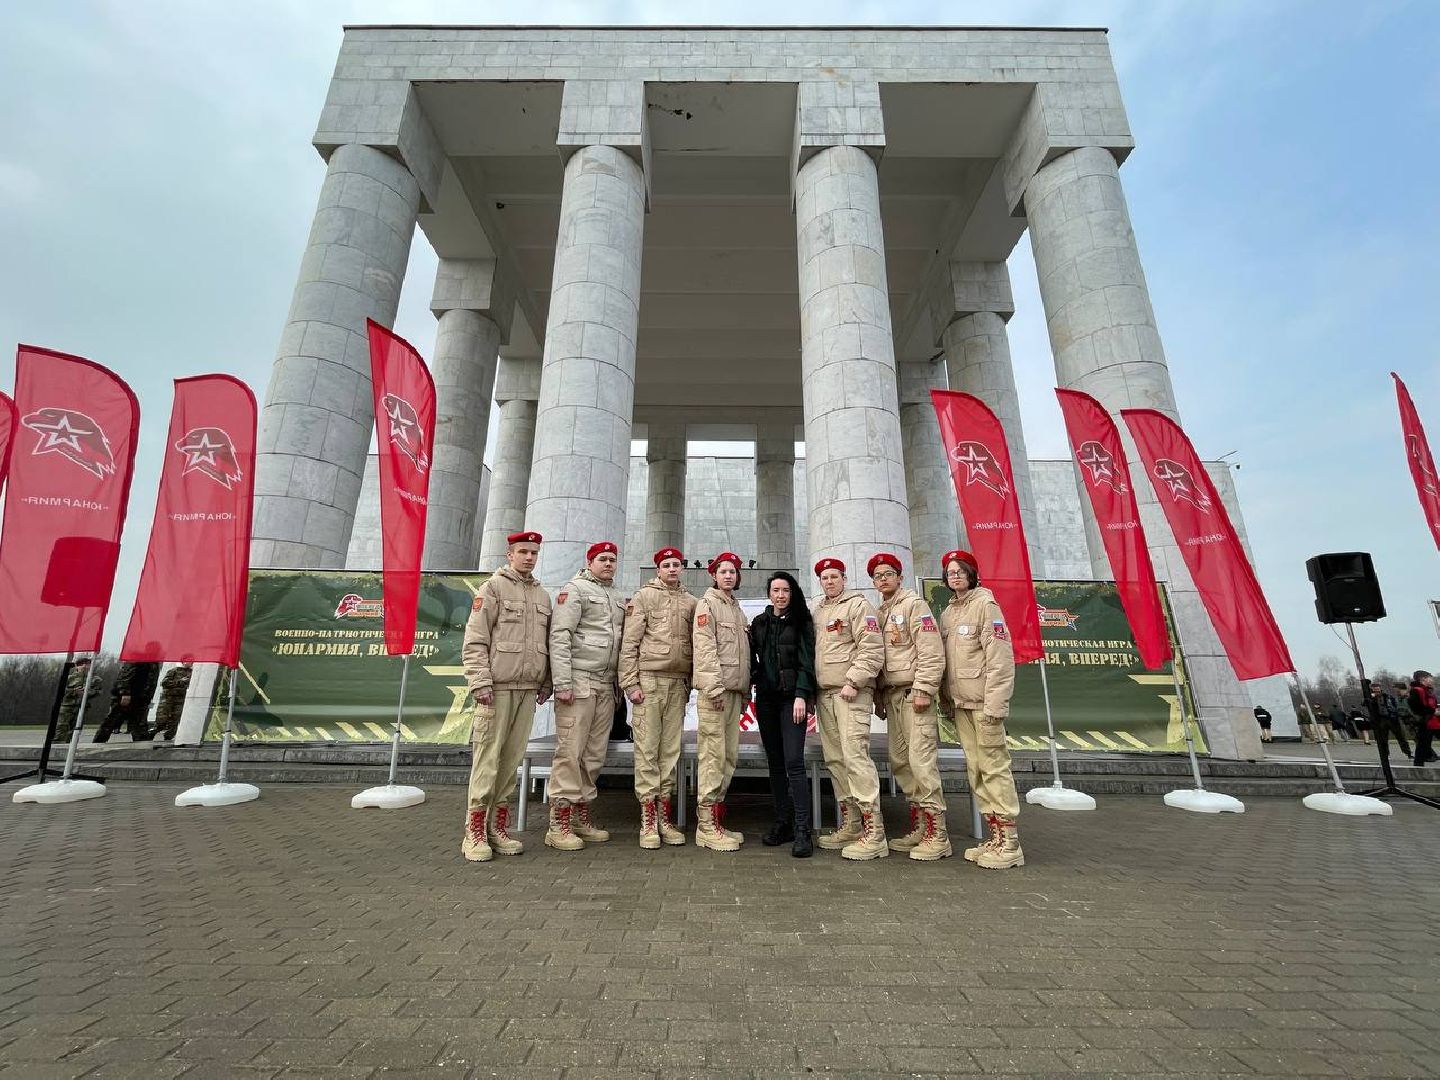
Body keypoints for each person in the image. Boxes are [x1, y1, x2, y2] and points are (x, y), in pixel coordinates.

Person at [460, 531, 552, 863]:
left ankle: (497, 828)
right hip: (495, 690)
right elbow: (475, 640)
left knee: (511, 762)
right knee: (487, 760)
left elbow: (548, 644)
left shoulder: (542, 596)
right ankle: (474, 831)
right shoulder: (493, 589)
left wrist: (546, 681)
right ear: (509, 553)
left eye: (534, 553)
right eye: (523, 551)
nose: (529, 557)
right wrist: (479, 682)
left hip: (527, 691)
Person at [938, 549, 1024, 870]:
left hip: (985, 706)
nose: (955, 576)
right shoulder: (948, 614)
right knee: (976, 770)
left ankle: (1011, 842)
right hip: (962, 706)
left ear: (972, 574)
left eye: (960, 570)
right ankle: (996, 836)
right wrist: (946, 700)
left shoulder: (986, 606)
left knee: (995, 768)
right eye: (950, 572)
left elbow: (1000, 660)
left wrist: (996, 705)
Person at [869, 552, 949, 861]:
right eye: (878, 576)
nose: (883, 579)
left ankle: (938, 833)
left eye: (889, 574)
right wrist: (878, 697)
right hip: (892, 696)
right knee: (901, 761)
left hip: (914, 695)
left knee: (921, 761)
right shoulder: (880, 612)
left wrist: (925, 688)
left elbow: (931, 651)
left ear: (900, 577)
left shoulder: (915, 606)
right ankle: (921, 825)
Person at [547, 541, 627, 851]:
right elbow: (560, 636)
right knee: (570, 751)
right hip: (578, 683)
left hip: (606, 686)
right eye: (602, 559)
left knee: (593, 755)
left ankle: (581, 815)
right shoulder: (575, 590)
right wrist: (562, 682)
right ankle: (558, 823)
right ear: (589, 561)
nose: (608, 564)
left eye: (612, 559)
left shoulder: (615, 596)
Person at [620, 547, 696, 849]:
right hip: (649, 682)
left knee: (670, 752)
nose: (672, 569)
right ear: (658, 570)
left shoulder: (692, 602)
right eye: (666, 565)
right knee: (647, 751)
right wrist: (630, 683)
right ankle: (648, 819)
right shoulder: (644, 598)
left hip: (678, 684)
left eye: (677, 564)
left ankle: (664, 816)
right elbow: (630, 644)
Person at [812, 557, 887, 860]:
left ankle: (875, 832)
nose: (829, 582)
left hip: (849, 693)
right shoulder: (818, 611)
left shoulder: (858, 606)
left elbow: (871, 647)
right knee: (836, 759)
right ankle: (852, 824)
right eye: (824, 578)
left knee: (856, 756)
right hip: (825, 695)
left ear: (843, 578)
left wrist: (854, 681)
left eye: (834, 576)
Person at [749, 571, 817, 858]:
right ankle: (783, 822)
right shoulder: (759, 623)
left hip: (792, 701)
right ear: (769, 594)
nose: (780, 595)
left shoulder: (802, 621)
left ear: (792, 593)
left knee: (794, 762)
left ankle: (803, 829)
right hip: (766, 700)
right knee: (775, 764)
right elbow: (752, 659)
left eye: (785, 590)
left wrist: (802, 694)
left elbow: (807, 661)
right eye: (776, 590)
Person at [691, 552, 751, 851]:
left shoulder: (737, 609)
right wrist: (713, 689)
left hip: (734, 693)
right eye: (723, 571)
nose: (729, 575)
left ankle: (716, 818)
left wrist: (745, 691)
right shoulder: (708, 605)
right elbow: (704, 650)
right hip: (716, 694)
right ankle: (705, 825)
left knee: (728, 757)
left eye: (733, 572)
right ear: (713, 575)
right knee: (713, 757)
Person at [94, 659, 160, 743]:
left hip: (142, 698)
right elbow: (124, 677)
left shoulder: (154, 663)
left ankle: (142, 745)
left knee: (139, 724)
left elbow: (151, 682)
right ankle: (98, 742)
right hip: (128, 696)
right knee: (112, 721)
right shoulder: (136, 659)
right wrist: (125, 693)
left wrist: (148, 697)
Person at [55, 657, 100, 743]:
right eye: (81, 664)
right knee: (61, 727)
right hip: (67, 706)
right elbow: (61, 691)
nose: (84, 666)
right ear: (76, 667)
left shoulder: (95, 679)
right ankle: (58, 744)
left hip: (81, 707)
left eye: (87, 664)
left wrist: (86, 693)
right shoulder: (68, 678)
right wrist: (74, 692)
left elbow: (98, 691)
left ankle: (71, 745)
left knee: (75, 728)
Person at [1369, 681, 1412, 760]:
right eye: (1375, 690)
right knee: (1383, 739)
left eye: (1378, 690)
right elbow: (1365, 704)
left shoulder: (1387, 696)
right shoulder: (1371, 699)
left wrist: (1396, 714)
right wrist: (1372, 698)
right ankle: (1385, 754)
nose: (1377, 692)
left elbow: (1395, 706)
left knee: (1401, 737)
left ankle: (1408, 753)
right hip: (1381, 719)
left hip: (1391, 718)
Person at [153, 663, 192, 741]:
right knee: (162, 719)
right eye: (187, 661)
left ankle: (169, 736)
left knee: (176, 719)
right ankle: (153, 732)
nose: (189, 663)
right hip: (169, 698)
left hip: (181, 699)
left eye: (191, 661)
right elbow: (164, 683)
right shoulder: (174, 671)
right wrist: (179, 681)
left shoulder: (192, 673)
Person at [1409, 671, 1438, 767]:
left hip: (1433, 721)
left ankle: (1420, 762)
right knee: (1422, 744)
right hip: (1426, 722)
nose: (1432, 680)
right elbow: (1415, 706)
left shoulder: (1428, 690)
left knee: (1423, 744)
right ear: (1423, 679)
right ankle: (1418, 764)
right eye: (1430, 678)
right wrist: (1432, 711)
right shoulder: (1417, 690)